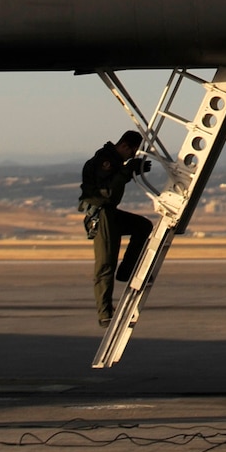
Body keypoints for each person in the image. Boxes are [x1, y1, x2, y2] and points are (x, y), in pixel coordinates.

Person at [80, 129, 153, 325]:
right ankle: (104, 314)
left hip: (109, 213)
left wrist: (128, 170)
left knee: (143, 226)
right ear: (124, 146)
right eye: (132, 153)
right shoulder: (106, 161)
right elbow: (108, 194)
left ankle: (126, 271)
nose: (131, 157)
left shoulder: (113, 162)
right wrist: (127, 171)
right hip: (101, 214)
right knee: (105, 265)